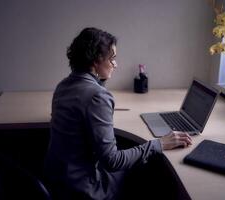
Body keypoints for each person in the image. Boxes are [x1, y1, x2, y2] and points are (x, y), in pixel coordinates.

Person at [44, 27, 192, 200]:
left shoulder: (63, 85)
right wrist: (159, 144)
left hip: (58, 180)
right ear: (95, 61)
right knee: (152, 169)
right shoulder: (97, 96)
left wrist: (100, 79)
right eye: (112, 58)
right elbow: (113, 161)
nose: (116, 64)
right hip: (83, 189)